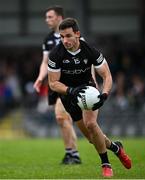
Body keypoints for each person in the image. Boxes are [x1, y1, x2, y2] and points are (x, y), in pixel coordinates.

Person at [48, 17, 132, 177]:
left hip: (88, 90)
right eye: (62, 36)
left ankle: (106, 164)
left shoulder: (90, 51)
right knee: (92, 138)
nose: (65, 40)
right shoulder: (55, 54)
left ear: (77, 34)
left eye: (68, 36)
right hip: (68, 96)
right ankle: (116, 148)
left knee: (92, 124)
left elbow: (107, 75)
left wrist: (105, 93)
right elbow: (53, 83)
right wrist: (71, 91)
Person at [33, 6, 81, 165]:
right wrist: (40, 78)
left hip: (72, 83)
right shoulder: (48, 39)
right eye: (46, 17)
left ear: (59, 17)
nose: (47, 20)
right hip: (55, 83)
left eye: (50, 17)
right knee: (63, 120)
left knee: (63, 118)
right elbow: (45, 62)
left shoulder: (74, 36)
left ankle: (73, 154)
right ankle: (72, 154)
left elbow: (88, 60)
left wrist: (92, 81)